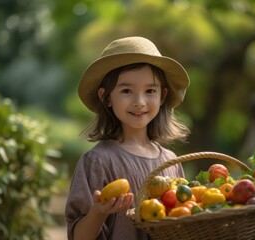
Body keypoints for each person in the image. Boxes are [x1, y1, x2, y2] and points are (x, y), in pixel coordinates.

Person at [65, 36, 190, 240]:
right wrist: (99, 211)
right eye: (126, 91)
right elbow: (78, 237)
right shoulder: (97, 161)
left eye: (150, 90)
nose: (139, 102)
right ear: (106, 97)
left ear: (162, 95)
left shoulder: (171, 161)